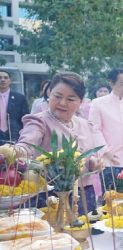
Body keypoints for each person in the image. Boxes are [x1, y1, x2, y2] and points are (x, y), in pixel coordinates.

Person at [17, 72, 104, 212]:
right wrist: (18, 150)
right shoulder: (39, 121)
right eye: (57, 96)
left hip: (83, 194)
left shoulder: (84, 124)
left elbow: (89, 155)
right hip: (50, 197)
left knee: (83, 232)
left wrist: (94, 162)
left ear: (81, 102)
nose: (62, 103)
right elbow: (27, 141)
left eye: (70, 99)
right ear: (49, 94)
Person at [0, 69, 29, 144]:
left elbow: (25, 119)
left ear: (10, 81)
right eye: (0, 78)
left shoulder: (20, 98)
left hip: (14, 135)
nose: (3, 80)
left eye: (5, 78)